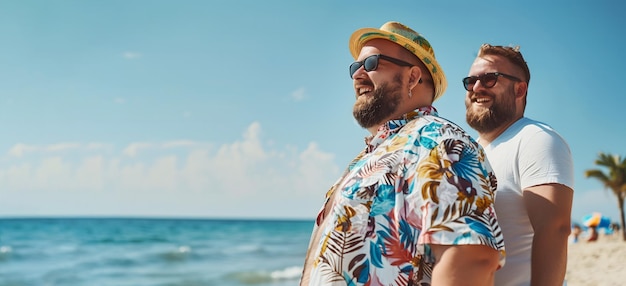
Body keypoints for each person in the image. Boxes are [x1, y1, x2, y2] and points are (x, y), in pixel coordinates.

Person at [300, 21, 505, 286]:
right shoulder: (376, 153)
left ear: (413, 77)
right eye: (355, 67)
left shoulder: (436, 140)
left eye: (372, 63)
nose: (357, 75)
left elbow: (472, 259)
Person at [463, 44, 575, 286]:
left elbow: (554, 229)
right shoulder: (467, 151)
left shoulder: (536, 139)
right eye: (470, 82)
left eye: (489, 79)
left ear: (520, 89)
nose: (477, 88)